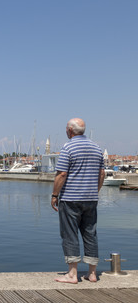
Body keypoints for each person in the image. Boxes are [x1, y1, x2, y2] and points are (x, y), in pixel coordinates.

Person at [51, 118, 105, 284]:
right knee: (90, 233)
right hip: (91, 199)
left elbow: (62, 174)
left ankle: (72, 274)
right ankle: (92, 273)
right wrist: (94, 191)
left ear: (69, 130)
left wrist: (54, 195)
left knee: (70, 234)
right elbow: (102, 174)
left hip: (70, 199)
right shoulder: (97, 148)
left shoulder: (68, 147)